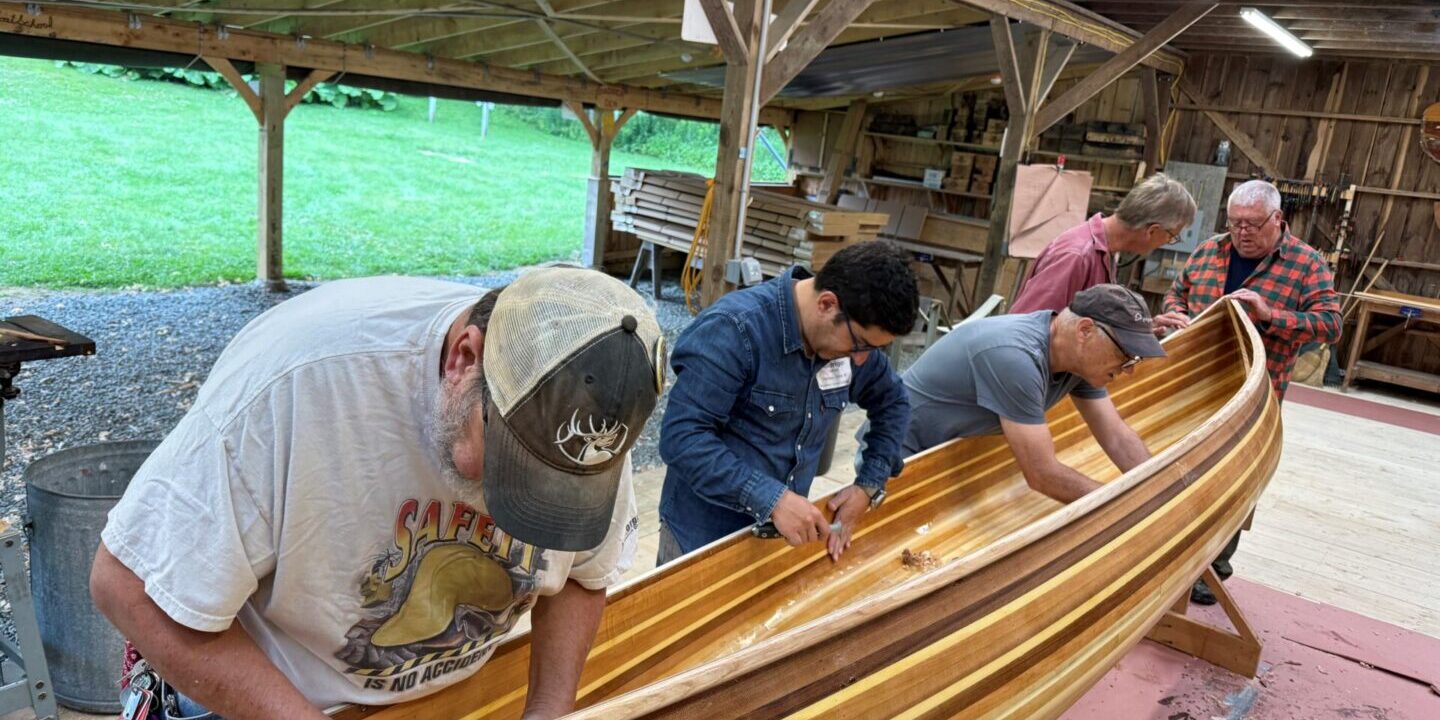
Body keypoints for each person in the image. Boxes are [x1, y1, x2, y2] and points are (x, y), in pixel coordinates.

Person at [90, 268, 665, 719]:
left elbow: (584, 576)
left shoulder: (587, 419)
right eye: (513, 467)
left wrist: (547, 710)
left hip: (444, 698)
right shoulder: (297, 384)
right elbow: (127, 584)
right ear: (463, 359)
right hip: (259, 698)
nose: (525, 499)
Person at [658, 241, 918, 565]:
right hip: (701, 538)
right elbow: (682, 438)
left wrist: (868, 484)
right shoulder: (734, 330)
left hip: (779, 540)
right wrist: (772, 499)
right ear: (827, 304)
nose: (863, 360)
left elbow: (893, 401)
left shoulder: (851, 344)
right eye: (860, 345)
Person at [1161, 179, 1340, 604]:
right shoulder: (1209, 251)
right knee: (1183, 470)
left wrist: (1271, 315)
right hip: (1195, 387)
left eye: (1253, 224)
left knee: (1235, 477)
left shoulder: (1306, 263)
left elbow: (1331, 323)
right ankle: (1172, 555)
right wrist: (1176, 315)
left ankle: (1214, 566)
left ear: (1278, 219)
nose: (1242, 232)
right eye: (1235, 222)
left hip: (1253, 394)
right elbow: (1176, 293)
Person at [902, 284, 1165, 503]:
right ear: (1085, 330)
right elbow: (1042, 475)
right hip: (902, 456)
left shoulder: (1077, 360)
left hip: (949, 459)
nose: (1128, 369)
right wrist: (1124, 506)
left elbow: (1117, 436)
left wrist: (1159, 491)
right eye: (1125, 354)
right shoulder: (1017, 359)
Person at [1011, 173, 1196, 315]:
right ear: (1152, 230)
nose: (1167, 243)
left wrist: (1140, 329)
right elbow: (1024, 330)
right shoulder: (1077, 256)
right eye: (1171, 236)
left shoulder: (1106, 252)